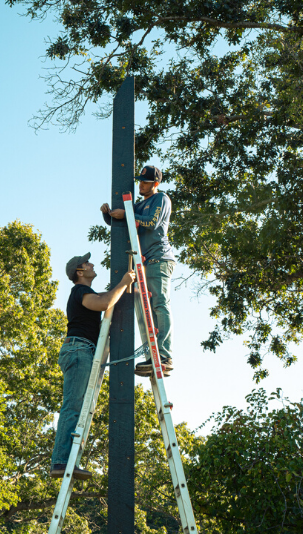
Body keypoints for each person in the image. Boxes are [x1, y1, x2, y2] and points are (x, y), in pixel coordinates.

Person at [51, 252, 136, 479]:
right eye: (86, 263)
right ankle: (60, 461)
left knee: (80, 409)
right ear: (80, 272)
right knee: (73, 407)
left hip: (82, 350)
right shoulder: (80, 291)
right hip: (78, 350)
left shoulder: (86, 292)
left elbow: (107, 299)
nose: (92, 264)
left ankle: (69, 460)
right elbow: (104, 302)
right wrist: (124, 283)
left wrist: (125, 290)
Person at [100, 165, 176, 377]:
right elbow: (126, 222)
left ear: (156, 184)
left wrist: (127, 214)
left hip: (159, 259)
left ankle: (165, 356)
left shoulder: (161, 199)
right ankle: (153, 356)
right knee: (147, 311)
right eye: (140, 181)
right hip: (144, 262)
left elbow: (151, 223)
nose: (141, 185)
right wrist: (109, 215)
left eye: (146, 182)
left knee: (160, 304)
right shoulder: (140, 205)